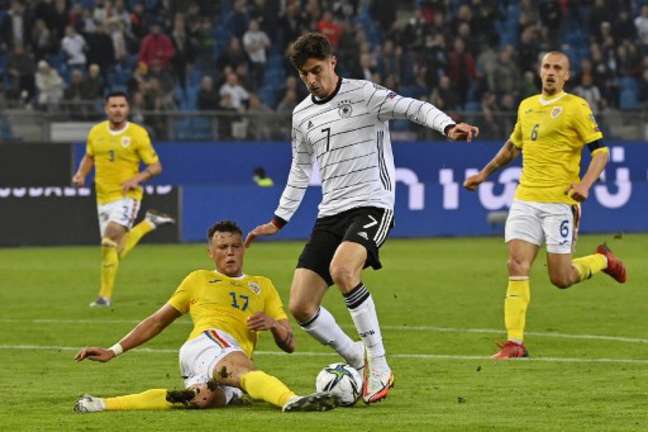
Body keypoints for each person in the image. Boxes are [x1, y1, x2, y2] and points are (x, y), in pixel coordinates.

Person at [245, 32, 478, 404]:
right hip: (331, 212)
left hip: (372, 203)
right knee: (301, 306)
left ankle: (380, 366)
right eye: (305, 74)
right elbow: (300, 170)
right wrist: (279, 219)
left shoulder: (364, 94)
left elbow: (412, 107)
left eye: (317, 70)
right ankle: (356, 356)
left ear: (332, 62)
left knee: (343, 270)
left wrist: (448, 126)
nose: (311, 79)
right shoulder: (302, 114)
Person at [73, 220, 339, 413]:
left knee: (201, 398)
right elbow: (158, 320)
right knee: (241, 368)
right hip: (208, 342)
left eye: (235, 246)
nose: (230, 252)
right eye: (222, 247)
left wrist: (273, 325)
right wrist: (113, 350)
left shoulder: (263, 285)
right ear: (210, 252)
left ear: (244, 249)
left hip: (223, 356)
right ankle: (291, 400)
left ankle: (99, 404)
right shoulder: (198, 279)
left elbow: (289, 344)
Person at [463, 51, 627, 359]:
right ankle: (515, 343)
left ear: (567, 75)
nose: (551, 72)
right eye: (547, 67)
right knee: (516, 264)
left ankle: (603, 260)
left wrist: (585, 185)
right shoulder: (527, 106)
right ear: (540, 72)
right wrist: (484, 173)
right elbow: (513, 146)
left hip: (560, 202)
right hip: (526, 198)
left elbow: (601, 152)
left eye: (558, 68)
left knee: (561, 279)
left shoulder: (576, 107)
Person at [72, 91, 175, 308]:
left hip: (127, 196)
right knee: (111, 248)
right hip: (102, 196)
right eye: (113, 106)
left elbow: (156, 166)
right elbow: (90, 156)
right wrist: (81, 173)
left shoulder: (138, 134)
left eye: (122, 106)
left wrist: (137, 178)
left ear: (128, 109)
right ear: (106, 109)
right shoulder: (96, 132)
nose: (118, 110)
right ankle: (149, 224)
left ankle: (103, 297)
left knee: (110, 236)